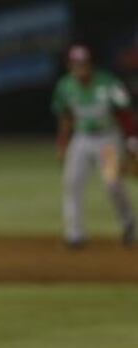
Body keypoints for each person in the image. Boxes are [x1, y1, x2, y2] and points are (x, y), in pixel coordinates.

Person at [52, 44, 138, 248]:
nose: (79, 68)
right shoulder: (65, 86)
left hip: (107, 140)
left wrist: (133, 145)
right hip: (81, 139)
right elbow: (66, 117)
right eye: (75, 64)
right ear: (69, 65)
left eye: (83, 63)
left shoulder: (108, 83)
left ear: (90, 64)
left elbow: (125, 115)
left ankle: (130, 226)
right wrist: (63, 143)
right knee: (72, 182)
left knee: (112, 184)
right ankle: (75, 235)